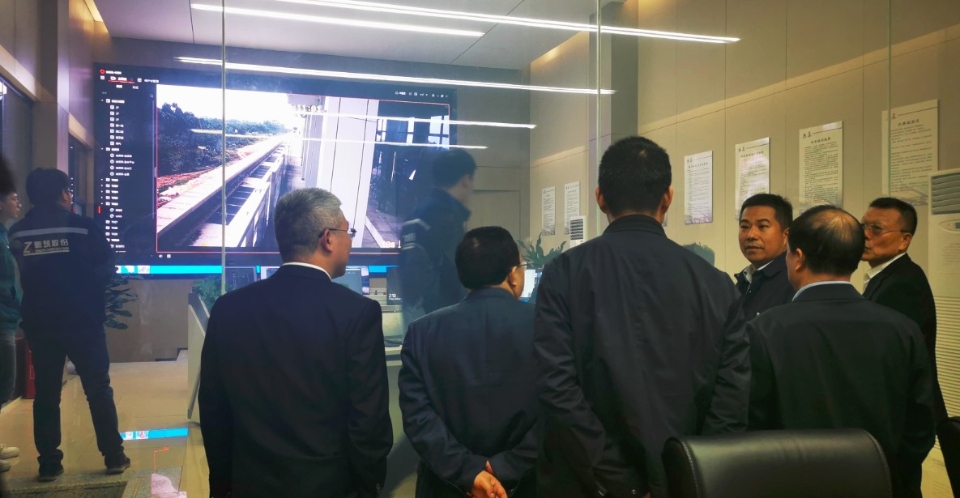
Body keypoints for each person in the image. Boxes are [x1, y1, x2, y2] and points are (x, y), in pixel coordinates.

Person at [535, 136, 750, 498]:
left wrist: (623, 483)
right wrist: (692, 476)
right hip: (688, 482)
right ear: (668, 197)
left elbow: (556, 388)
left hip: (589, 484)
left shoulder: (564, 274)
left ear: (600, 197)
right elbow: (731, 398)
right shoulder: (716, 283)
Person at [199, 188, 392, 498]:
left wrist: (222, 487)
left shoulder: (228, 308)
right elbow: (369, 422)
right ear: (328, 239)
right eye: (348, 232)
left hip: (250, 485)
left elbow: (214, 410)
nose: (351, 241)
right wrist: (367, 488)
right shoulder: (357, 313)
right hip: (329, 487)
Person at [748, 205, 935, 498]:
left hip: (793, 486)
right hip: (882, 485)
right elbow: (921, 426)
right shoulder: (903, 330)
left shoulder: (765, 330)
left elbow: (751, 423)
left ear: (798, 258)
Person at [399, 226, 538, 498]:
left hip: (445, 486)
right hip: (529, 483)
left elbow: (417, 417)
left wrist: (468, 471)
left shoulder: (422, 332)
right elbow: (560, 409)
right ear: (513, 274)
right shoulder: (549, 325)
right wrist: (507, 465)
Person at [8, 168, 127, 482]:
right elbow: (107, 267)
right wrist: (85, 290)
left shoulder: (18, 233)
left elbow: (22, 273)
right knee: (98, 389)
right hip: (83, 320)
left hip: (41, 323)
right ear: (63, 194)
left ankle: (49, 463)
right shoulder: (83, 227)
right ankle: (114, 457)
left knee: (47, 393)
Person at [861, 197, 946, 423]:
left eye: (876, 229)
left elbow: (895, 362)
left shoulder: (903, 285)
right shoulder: (887, 276)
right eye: (863, 226)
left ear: (904, 240)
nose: (865, 235)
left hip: (902, 415)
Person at [398, 149, 475, 325]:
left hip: (413, 309)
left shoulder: (415, 215)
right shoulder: (447, 217)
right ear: (466, 180)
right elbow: (456, 273)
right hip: (441, 316)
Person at [735, 193, 795, 319]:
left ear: (786, 235)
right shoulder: (744, 280)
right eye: (744, 226)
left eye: (762, 226)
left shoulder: (793, 281)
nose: (751, 235)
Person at [0, 156, 21, 474]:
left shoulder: (5, 235)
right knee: (3, 383)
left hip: (7, 319)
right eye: (13, 198)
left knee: (5, 383)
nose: (18, 203)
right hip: (1, 321)